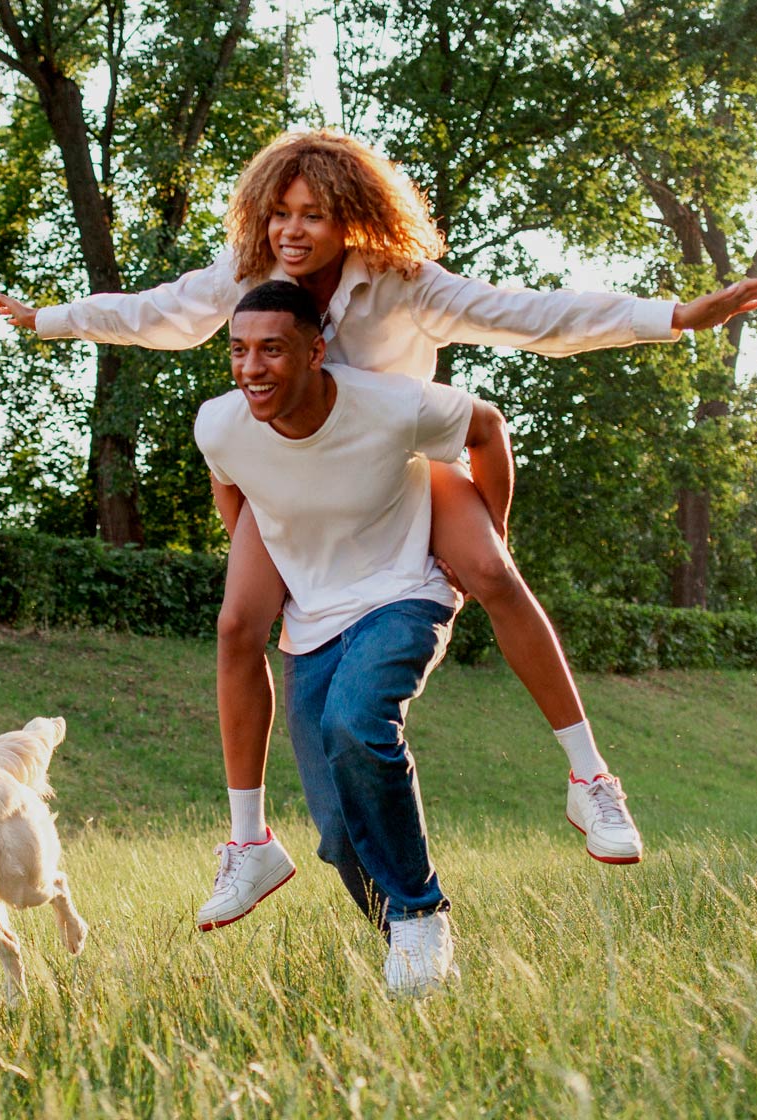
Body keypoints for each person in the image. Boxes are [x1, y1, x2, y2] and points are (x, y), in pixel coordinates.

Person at [0, 130, 757, 930]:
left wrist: (673, 316)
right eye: (280, 214)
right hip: (298, 474)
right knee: (235, 624)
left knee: (496, 574)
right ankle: (248, 842)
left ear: (354, 220)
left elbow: (531, 316)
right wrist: (50, 319)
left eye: (315, 217)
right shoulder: (247, 278)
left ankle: (590, 780)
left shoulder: (404, 284)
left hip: (400, 464)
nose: (291, 233)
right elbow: (157, 312)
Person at [194, 280, 507, 993]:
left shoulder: (384, 405)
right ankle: (407, 939)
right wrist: (278, 566)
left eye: (271, 350)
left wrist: (491, 536)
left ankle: (424, 913)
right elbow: (235, 494)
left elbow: (486, 427)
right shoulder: (219, 425)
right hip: (312, 622)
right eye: (239, 351)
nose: (252, 367)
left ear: (316, 350)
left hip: (405, 594)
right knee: (338, 835)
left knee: (356, 724)